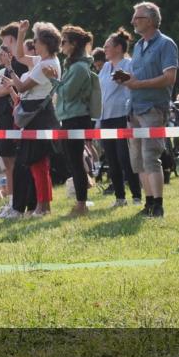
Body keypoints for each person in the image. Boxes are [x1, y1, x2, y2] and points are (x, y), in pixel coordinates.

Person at [114, 2, 179, 218]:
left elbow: (169, 78)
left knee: (151, 156)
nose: (132, 21)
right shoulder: (139, 46)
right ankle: (149, 203)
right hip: (134, 109)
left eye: (137, 17)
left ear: (150, 20)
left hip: (153, 108)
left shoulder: (166, 44)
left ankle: (158, 205)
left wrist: (139, 84)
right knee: (138, 161)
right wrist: (128, 79)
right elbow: (138, 78)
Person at [7, 21, 62, 216]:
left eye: (36, 39)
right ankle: (42, 205)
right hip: (38, 115)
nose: (34, 42)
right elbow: (20, 56)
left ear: (45, 42)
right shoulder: (43, 61)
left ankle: (43, 206)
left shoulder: (46, 63)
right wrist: (21, 33)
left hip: (38, 116)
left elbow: (21, 88)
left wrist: (10, 71)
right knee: (37, 163)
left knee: (38, 163)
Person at [98, 27, 142, 207]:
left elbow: (134, 83)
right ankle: (119, 198)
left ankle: (137, 196)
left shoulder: (129, 63)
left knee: (125, 158)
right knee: (111, 159)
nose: (105, 49)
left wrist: (125, 79)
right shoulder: (105, 67)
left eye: (107, 46)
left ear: (118, 47)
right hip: (106, 117)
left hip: (122, 115)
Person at [57, 24, 97, 216]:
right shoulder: (73, 65)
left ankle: (81, 204)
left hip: (76, 118)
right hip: (69, 117)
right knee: (73, 162)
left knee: (75, 162)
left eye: (63, 42)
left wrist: (51, 79)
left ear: (73, 44)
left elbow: (67, 93)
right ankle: (82, 198)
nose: (61, 45)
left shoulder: (80, 67)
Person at [0, 23, 24, 218]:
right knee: (8, 163)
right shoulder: (6, 69)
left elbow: (3, 90)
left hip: (13, 119)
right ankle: (12, 202)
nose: (1, 50)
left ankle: (15, 203)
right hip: (3, 119)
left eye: (3, 43)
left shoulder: (18, 64)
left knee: (13, 163)